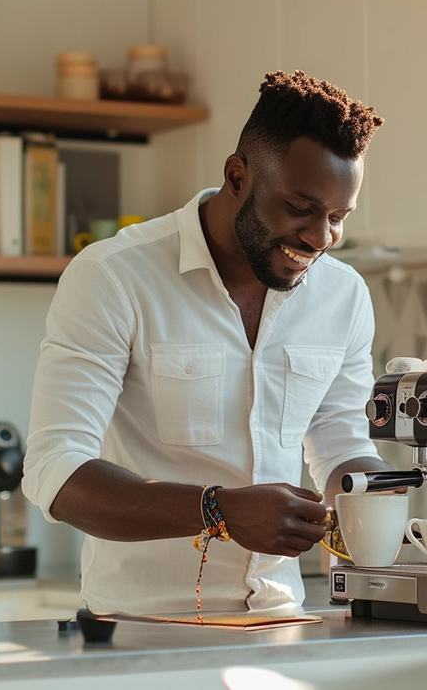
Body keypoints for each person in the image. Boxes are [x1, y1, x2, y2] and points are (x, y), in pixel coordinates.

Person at [22, 70, 391, 615]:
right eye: (300, 208)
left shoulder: (344, 295)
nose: (320, 238)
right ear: (237, 175)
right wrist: (217, 511)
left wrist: (389, 496)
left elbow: (341, 444)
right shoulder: (114, 275)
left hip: (280, 619)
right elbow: (56, 470)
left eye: (337, 218)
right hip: (141, 630)